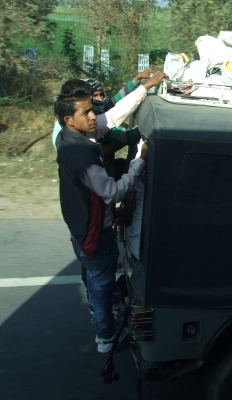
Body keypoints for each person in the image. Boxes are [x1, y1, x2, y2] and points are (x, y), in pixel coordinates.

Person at [54, 72, 165, 354]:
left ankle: (97, 314)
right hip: (94, 230)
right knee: (102, 283)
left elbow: (113, 116)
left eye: (92, 108)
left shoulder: (68, 138)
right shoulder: (84, 160)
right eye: (88, 111)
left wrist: (143, 88)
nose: (94, 116)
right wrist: (139, 162)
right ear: (70, 119)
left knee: (93, 278)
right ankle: (105, 335)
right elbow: (114, 193)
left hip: (78, 224)